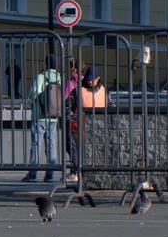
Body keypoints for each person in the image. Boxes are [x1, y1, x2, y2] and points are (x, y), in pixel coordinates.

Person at [22, 55, 62, 183]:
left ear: (46, 63)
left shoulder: (41, 77)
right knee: (52, 145)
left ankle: (33, 174)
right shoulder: (60, 78)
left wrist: (29, 101)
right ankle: (49, 175)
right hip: (54, 116)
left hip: (39, 115)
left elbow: (33, 93)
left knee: (36, 144)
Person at [67, 66, 106, 178]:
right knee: (79, 150)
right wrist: (71, 118)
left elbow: (111, 106)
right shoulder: (77, 91)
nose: (89, 81)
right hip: (80, 126)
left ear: (98, 78)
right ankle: (78, 172)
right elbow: (68, 106)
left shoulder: (104, 91)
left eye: (92, 79)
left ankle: (93, 172)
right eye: (88, 78)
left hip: (100, 126)